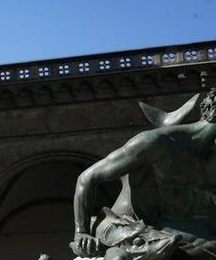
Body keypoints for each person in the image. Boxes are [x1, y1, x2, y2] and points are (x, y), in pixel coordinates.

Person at [72, 89, 216, 258]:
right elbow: (87, 178)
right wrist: (81, 232)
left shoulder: (211, 161)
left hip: (170, 231)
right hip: (122, 225)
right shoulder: (157, 142)